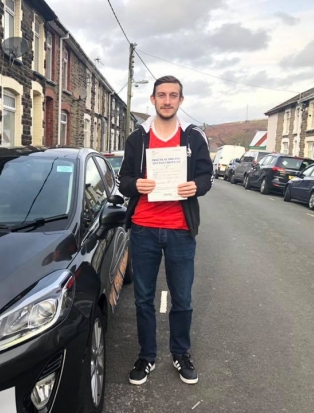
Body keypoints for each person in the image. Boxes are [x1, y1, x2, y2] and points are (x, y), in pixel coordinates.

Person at [118, 75, 212, 386]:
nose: (167, 100)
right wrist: (136, 185)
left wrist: (195, 186)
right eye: (162, 95)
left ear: (181, 101)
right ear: (153, 99)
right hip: (144, 227)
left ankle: (181, 353)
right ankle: (147, 356)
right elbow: (124, 179)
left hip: (180, 230)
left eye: (173, 95)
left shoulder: (193, 138)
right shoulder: (138, 138)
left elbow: (206, 177)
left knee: (182, 298)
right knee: (143, 299)